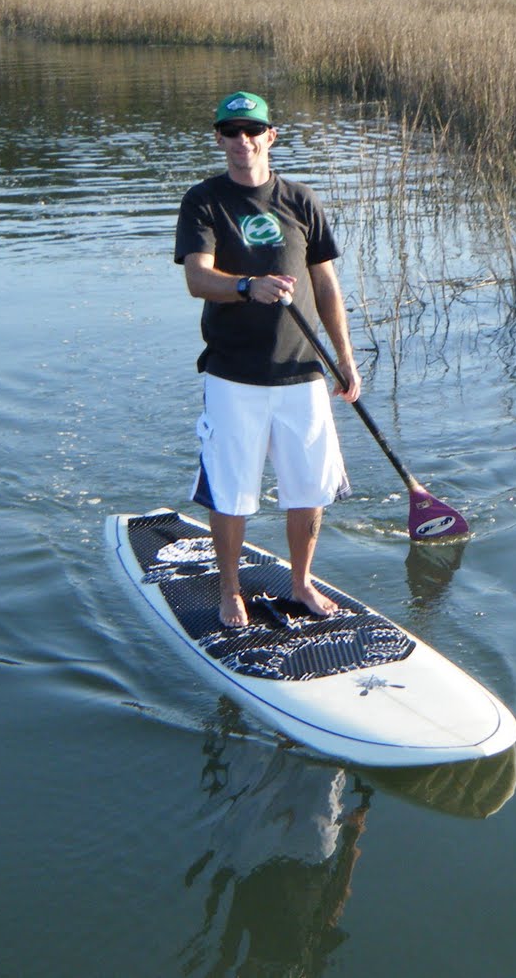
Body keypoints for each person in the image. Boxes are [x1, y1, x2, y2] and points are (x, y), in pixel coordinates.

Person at [174, 90, 362, 629]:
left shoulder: (300, 199)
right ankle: (230, 590)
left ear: (270, 136)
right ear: (219, 139)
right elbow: (197, 279)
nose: (243, 141)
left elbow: (325, 285)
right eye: (232, 132)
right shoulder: (204, 201)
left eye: (253, 130)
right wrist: (246, 286)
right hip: (234, 374)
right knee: (232, 490)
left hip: (302, 372)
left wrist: (344, 358)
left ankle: (301, 583)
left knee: (310, 487)